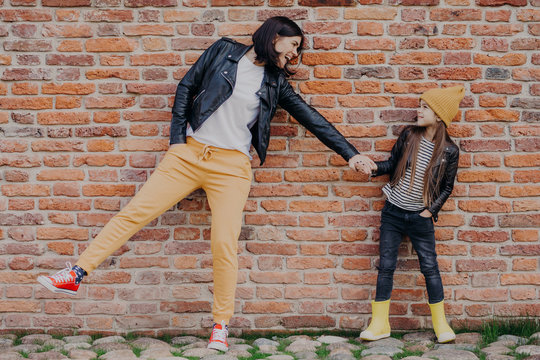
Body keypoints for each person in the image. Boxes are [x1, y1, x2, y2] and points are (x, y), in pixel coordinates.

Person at [37, 16, 375, 351]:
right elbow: (187, 86)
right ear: (275, 37)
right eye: (294, 44)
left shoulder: (275, 82)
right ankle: (75, 275)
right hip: (188, 156)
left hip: (231, 168)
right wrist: (176, 142)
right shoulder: (223, 51)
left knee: (223, 243)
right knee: (133, 214)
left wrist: (351, 154)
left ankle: (220, 326)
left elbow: (311, 118)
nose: (295, 52)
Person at [357, 86, 464, 343]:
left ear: (439, 115)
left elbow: (447, 187)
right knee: (386, 267)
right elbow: (392, 164)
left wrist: (430, 212)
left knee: (430, 267)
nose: (419, 110)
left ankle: (441, 325)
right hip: (393, 213)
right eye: (420, 104)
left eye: (425, 106)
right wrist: (372, 168)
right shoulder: (409, 136)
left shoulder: (449, 150)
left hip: (420, 217)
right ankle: (380, 324)